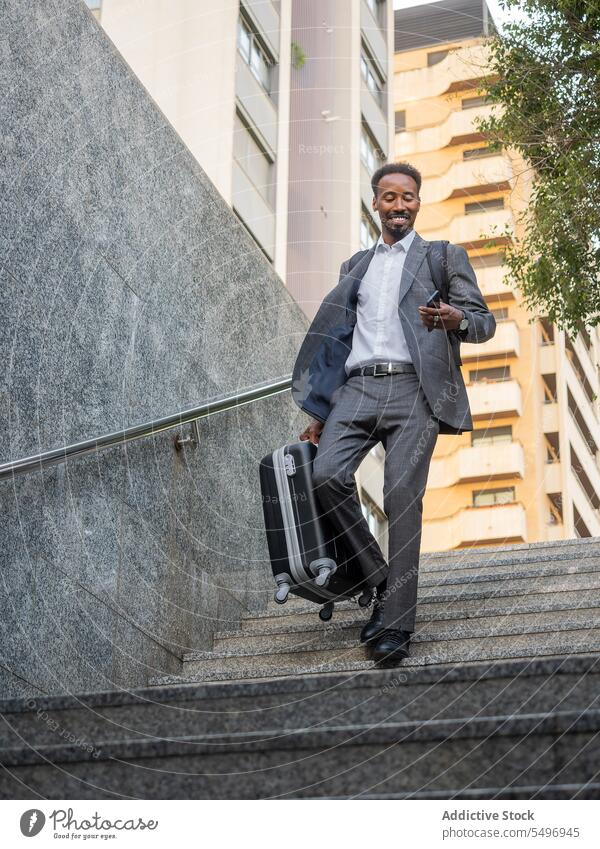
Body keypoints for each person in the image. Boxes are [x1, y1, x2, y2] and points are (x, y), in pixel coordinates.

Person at [290, 161, 496, 666]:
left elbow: (483, 322)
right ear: (376, 203)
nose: (398, 205)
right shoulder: (355, 267)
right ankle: (381, 579)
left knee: (402, 498)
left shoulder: (441, 257)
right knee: (326, 476)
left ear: (417, 203)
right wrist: (321, 409)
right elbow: (339, 341)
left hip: (414, 391)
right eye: (389, 197)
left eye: (407, 197)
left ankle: (396, 626)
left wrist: (454, 318)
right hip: (356, 390)